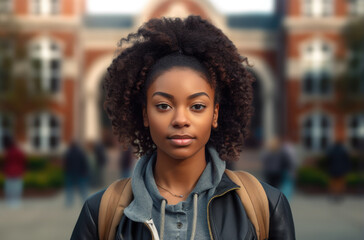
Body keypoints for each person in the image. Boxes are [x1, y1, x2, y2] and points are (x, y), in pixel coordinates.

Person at [71, 16, 295, 239]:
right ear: (145, 114)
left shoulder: (266, 206)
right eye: (163, 106)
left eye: (197, 106)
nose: (180, 119)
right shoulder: (100, 212)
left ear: (215, 114)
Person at [64, 141, 90, 207]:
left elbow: (66, 164)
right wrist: (85, 172)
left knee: (69, 189)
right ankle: (85, 202)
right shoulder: (81, 153)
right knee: (82, 189)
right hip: (80, 173)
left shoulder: (69, 153)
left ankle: (69, 203)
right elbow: (84, 163)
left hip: (70, 173)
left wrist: (67, 171)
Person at [3, 136, 26, 208]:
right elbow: (23, 161)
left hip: (10, 172)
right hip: (17, 171)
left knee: (9, 187)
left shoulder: (9, 152)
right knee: (17, 187)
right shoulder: (18, 151)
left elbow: (7, 162)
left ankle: (11, 201)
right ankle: (16, 202)